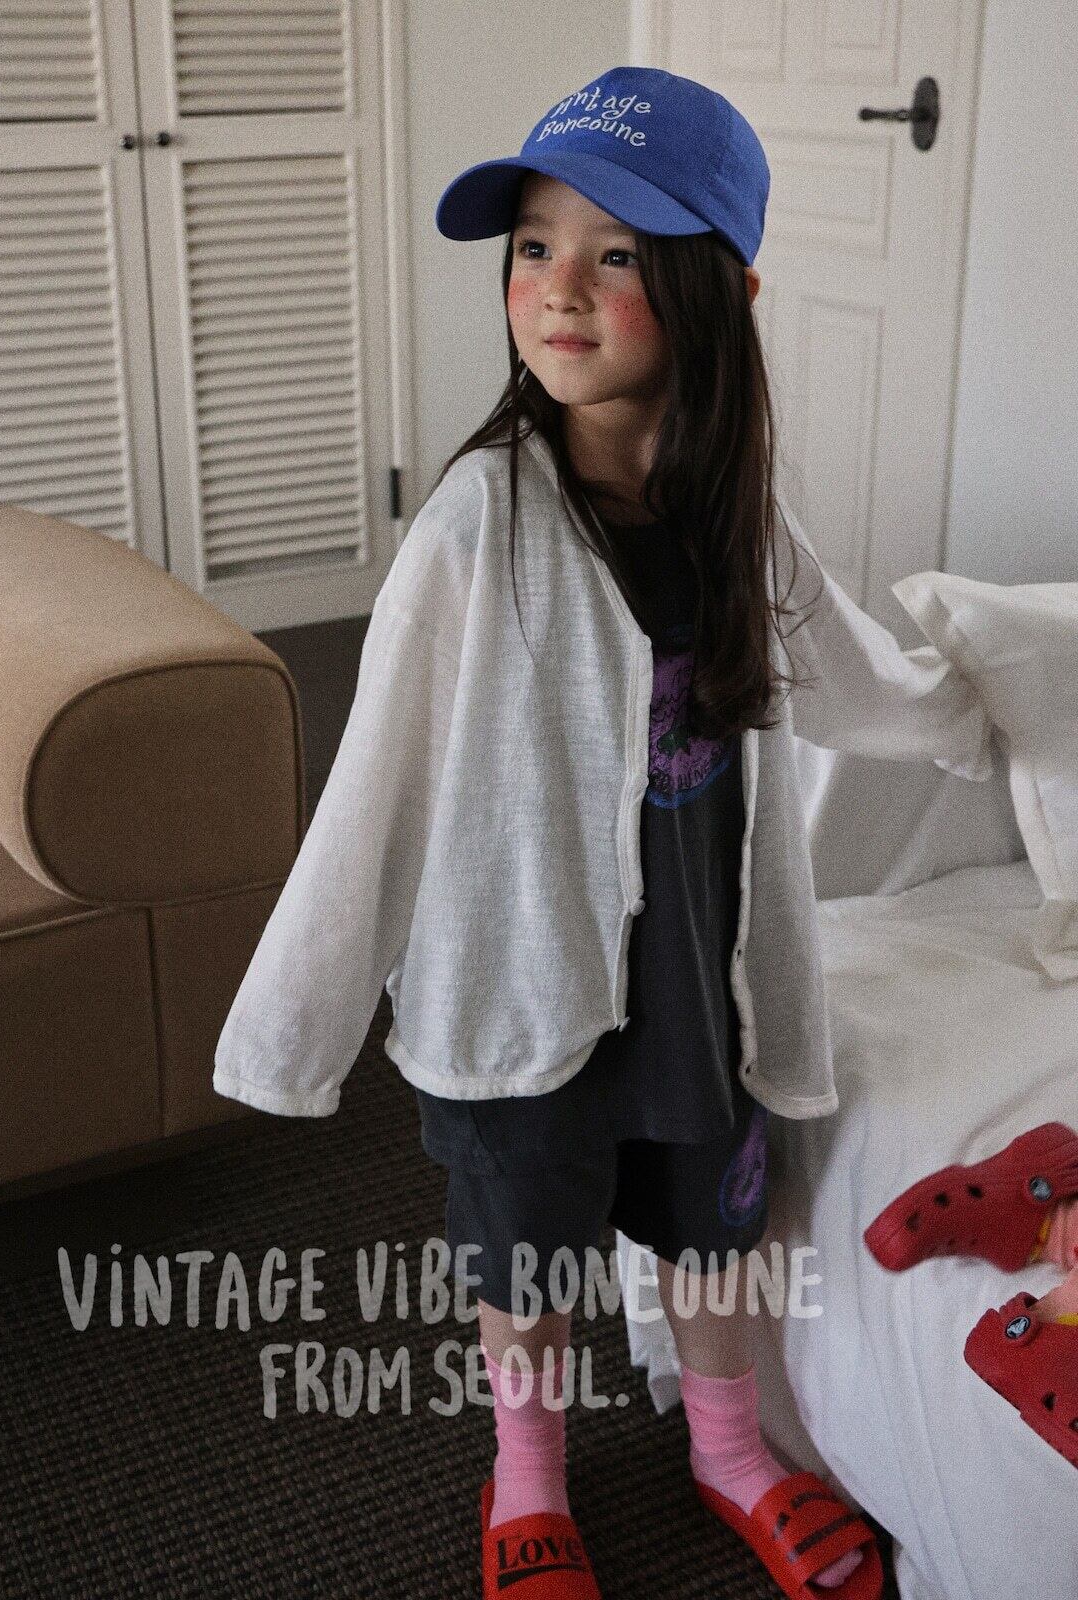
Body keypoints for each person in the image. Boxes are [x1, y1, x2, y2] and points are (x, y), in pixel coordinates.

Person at [214, 65, 996, 1600]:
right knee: (529, 1246)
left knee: (713, 1228)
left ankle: (729, 1452)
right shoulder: (476, 528)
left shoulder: (735, 514)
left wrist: (982, 714)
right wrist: (294, 1021)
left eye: (616, 253)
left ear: (722, 294)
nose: (558, 288)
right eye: (532, 246)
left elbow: (844, 669)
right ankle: (526, 1479)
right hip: (522, 982)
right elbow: (376, 783)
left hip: (700, 977)